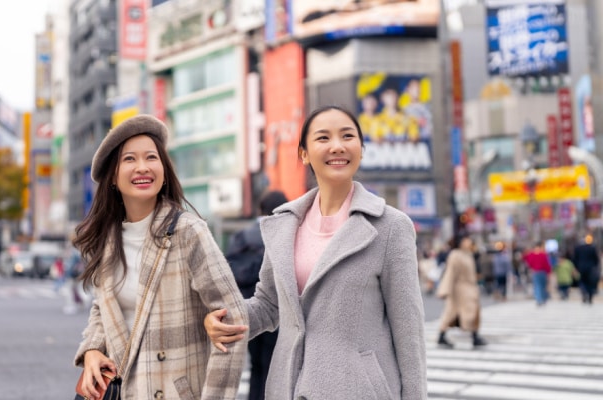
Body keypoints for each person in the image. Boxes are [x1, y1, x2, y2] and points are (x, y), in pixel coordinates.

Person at [204, 106, 427, 399]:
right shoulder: (284, 224)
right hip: (287, 386)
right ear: (304, 153)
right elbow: (269, 305)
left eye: (348, 136)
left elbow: (408, 330)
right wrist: (224, 319)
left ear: (361, 148)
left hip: (358, 391)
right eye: (323, 138)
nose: (337, 146)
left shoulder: (390, 226)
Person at [73, 115, 248, 399]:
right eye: (129, 159)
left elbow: (233, 320)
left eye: (151, 157)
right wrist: (92, 349)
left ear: (164, 170)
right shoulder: (108, 240)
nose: (142, 167)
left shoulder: (187, 232)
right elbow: (103, 308)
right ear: (113, 178)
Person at [224, 190, 288, 400]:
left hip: (247, 308)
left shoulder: (242, 236)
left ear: (260, 209)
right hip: (275, 308)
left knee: (256, 365)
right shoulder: (283, 233)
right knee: (272, 364)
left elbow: (228, 270)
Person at [436, 235, 487, 349]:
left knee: (473, 312)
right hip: (459, 289)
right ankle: (443, 335)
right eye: (466, 239)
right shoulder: (456, 255)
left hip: (469, 288)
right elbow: (450, 273)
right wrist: (445, 289)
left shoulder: (468, 254)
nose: (469, 241)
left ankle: (474, 335)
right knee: (451, 312)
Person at [573, 234, 601, 305]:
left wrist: (576, 267)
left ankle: (584, 292)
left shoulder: (578, 248)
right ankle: (590, 297)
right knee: (590, 283)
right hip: (590, 268)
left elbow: (575, 259)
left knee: (582, 282)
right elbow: (596, 259)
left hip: (581, 268)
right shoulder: (592, 248)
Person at [523, 242, 552, 306]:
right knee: (543, 286)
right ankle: (543, 299)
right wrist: (549, 272)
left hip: (535, 272)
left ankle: (539, 299)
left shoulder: (531, 254)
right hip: (543, 272)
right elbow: (547, 264)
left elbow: (527, 261)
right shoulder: (543, 254)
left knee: (537, 286)